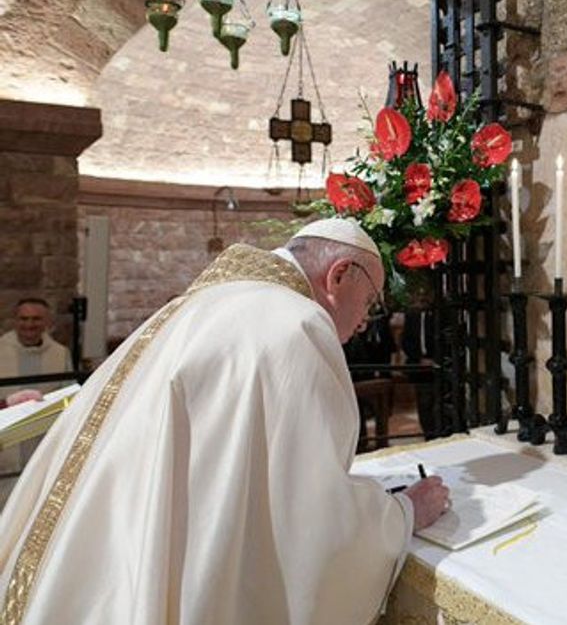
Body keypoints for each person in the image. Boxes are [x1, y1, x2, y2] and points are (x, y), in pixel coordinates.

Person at [0, 219, 450, 624]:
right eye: (369, 302)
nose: (361, 325)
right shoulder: (296, 325)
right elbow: (310, 520)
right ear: (339, 276)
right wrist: (405, 511)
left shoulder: (197, 305)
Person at [0, 298, 72, 405]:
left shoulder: (61, 353)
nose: (29, 324)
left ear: (47, 321)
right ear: (15, 320)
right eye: (24, 319)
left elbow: (69, 393)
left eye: (36, 319)